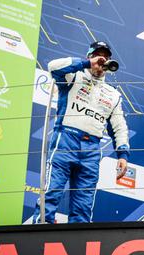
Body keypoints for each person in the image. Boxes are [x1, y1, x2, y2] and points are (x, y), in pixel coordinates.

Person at [35, 41, 130, 223]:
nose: (102, 61)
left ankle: (78, 237)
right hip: (65, 140)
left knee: (83, 205)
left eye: (106, 58)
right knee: (52, 191)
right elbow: (53, 67)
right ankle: (40, 230)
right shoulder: (73, 76)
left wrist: (123, 155)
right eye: (98, 56)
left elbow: (119, 127)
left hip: (92, 148)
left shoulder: (113, 94)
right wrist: (87, 64)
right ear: (89, 57)